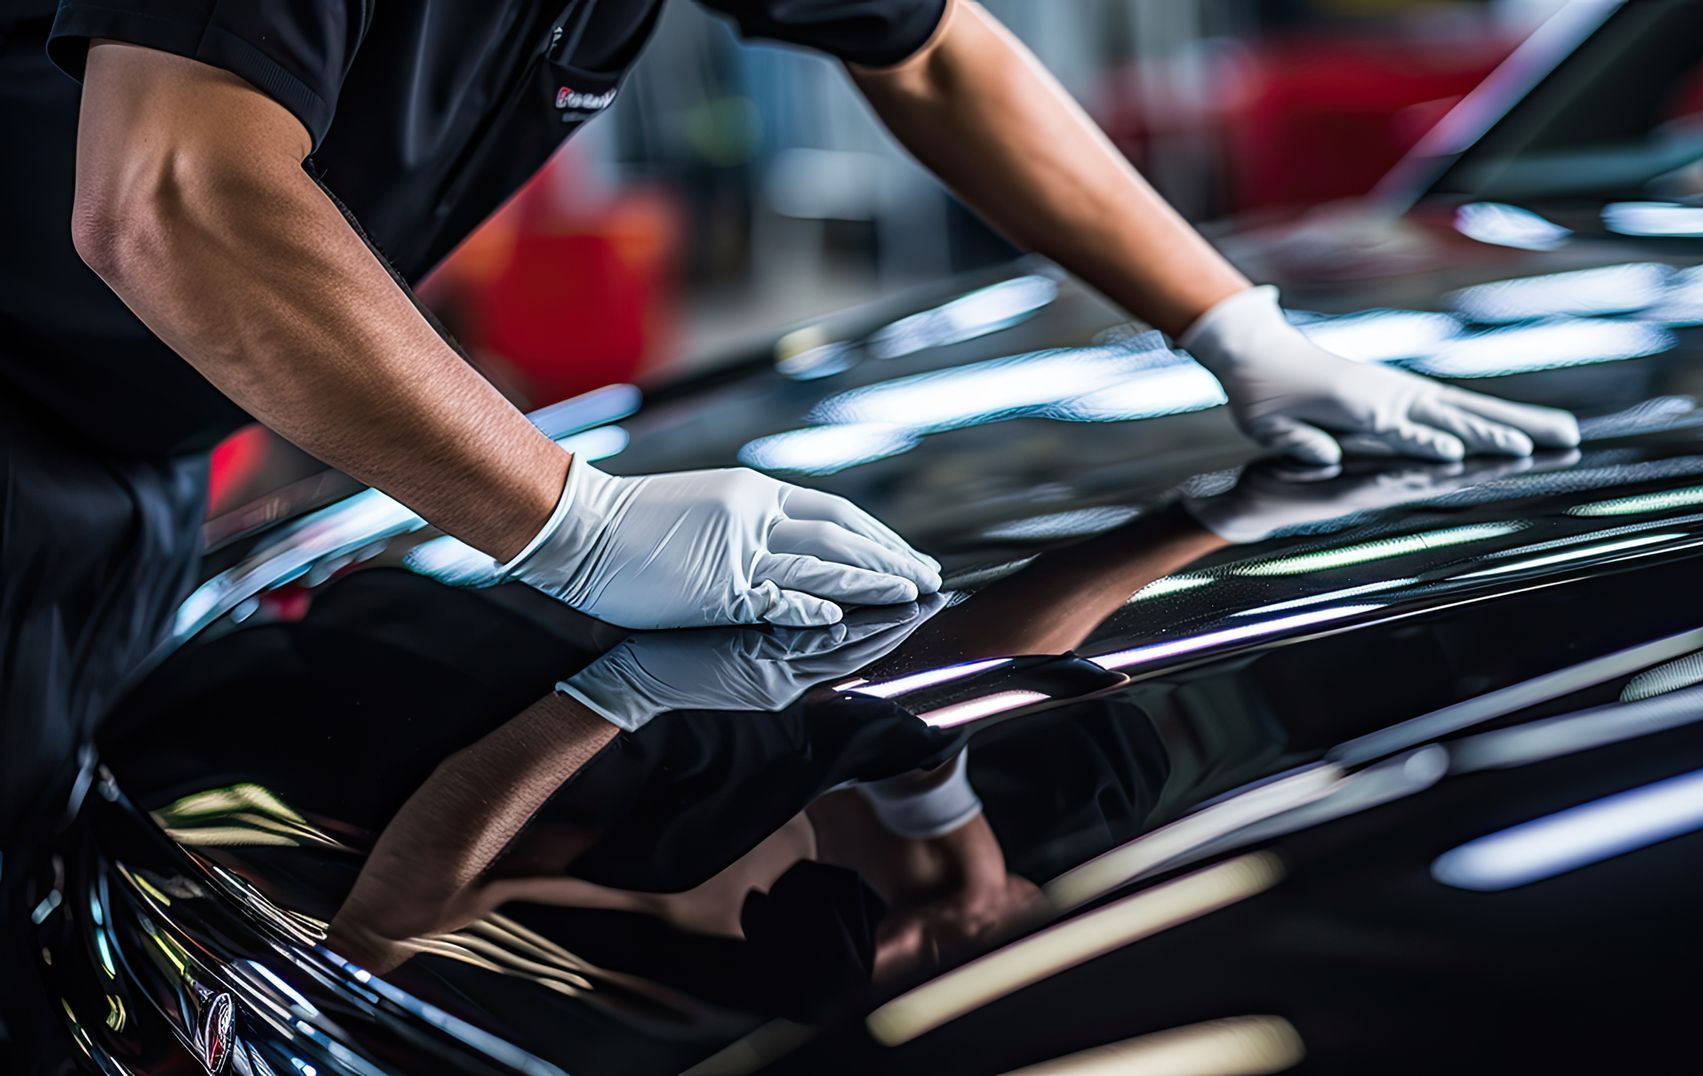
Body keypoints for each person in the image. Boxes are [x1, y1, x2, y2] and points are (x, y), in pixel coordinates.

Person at [0, 0, 1578, 1058]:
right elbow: (169, 193)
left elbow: (934, 52)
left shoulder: (743, 823)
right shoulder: (660, 866)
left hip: (136, 452)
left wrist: (1234, 326)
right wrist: (571, 521)